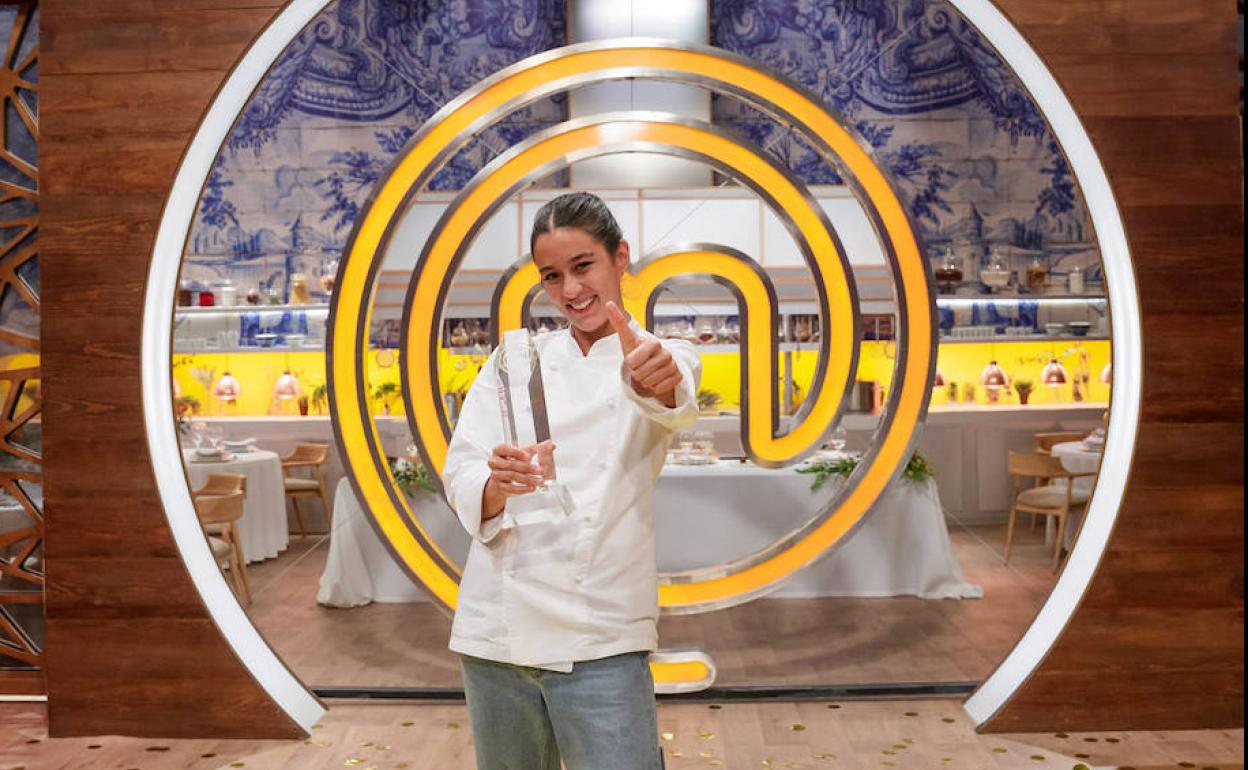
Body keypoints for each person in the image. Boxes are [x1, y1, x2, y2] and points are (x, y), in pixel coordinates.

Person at [442, 191, 700, 770]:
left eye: (584, 266)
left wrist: (655, 377)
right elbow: (462, 470)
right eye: (552, 276)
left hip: (602, 636)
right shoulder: (513, 362)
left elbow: (670, 394)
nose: (571, 289)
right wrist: (497, 483)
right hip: (497, 630)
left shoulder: (662, 354)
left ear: (620, 257)